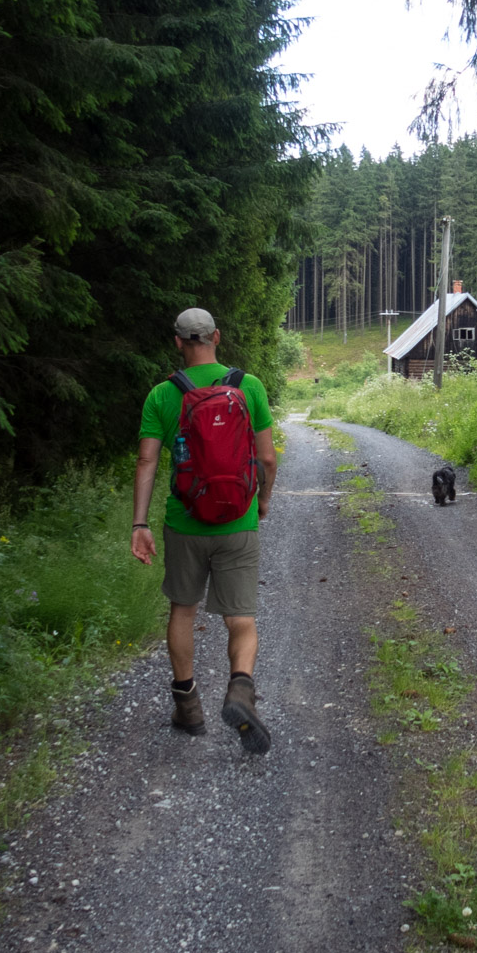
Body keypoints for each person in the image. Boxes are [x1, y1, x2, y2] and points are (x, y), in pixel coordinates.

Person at [131, 308, 278, 752]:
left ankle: (188, 706)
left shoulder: (162, 394)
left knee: (183, 609)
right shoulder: (247, 386)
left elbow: (147, 461)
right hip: (238, 520)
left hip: (184, 522)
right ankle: (240, 690)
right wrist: (264, 500)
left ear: (177, 343)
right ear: (216, 336)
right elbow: (267, 458)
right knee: (241, 617)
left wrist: (139, 523)